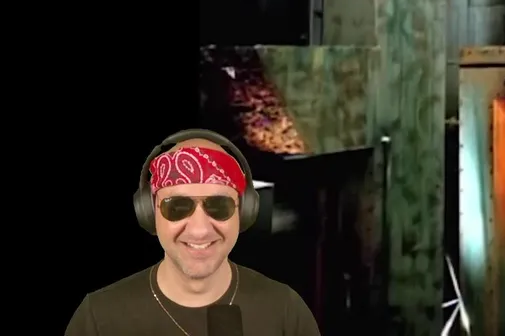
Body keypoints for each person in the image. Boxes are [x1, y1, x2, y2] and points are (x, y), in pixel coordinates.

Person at [65, 130, 321, 335]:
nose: (199, 230)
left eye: (219, 206)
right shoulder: (97, 319)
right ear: (150, 211)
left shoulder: (286, 312)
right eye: (177, 207)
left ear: (244, 211)